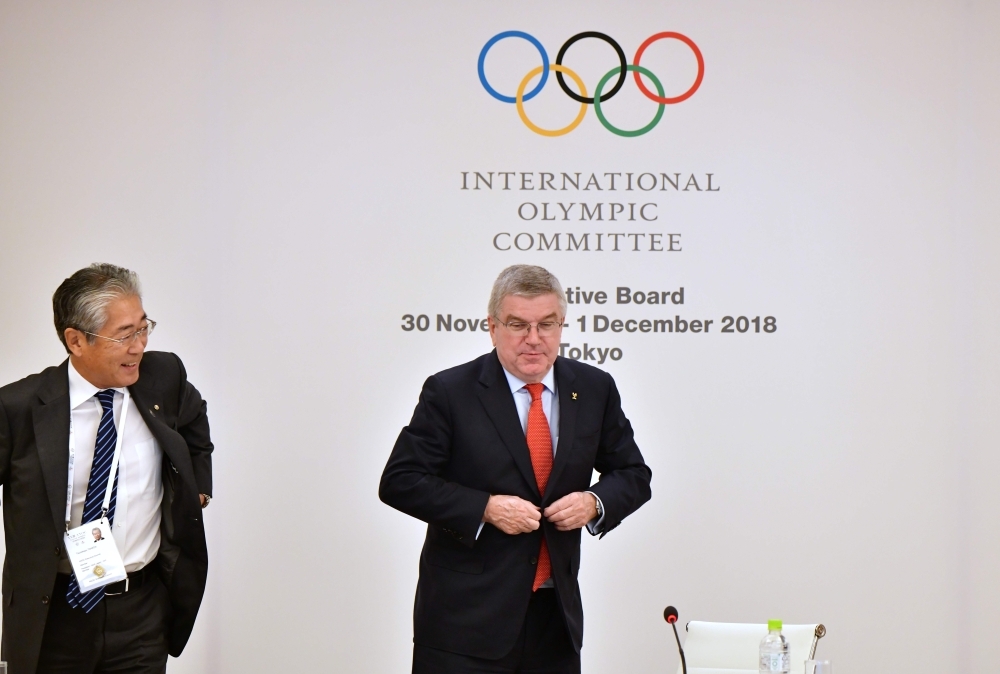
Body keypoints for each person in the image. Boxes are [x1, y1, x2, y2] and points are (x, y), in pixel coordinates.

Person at [380, 264, 652, 674]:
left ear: (562, 324)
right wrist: (486, 508)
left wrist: (594, 502)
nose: (533, 339)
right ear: (492, 327)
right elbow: (400, 481)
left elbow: (633, 474)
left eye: (546, 324)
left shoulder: (595, 387)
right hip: (464, 624)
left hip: (554, 620)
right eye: (517, 325)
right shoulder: (451, 391)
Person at [0, 263, 214, 674]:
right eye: (124, 335)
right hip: (55, 614)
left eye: (143, 327)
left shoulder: (163, 377)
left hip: (141, 612)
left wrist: (197, 488)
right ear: (75, 341)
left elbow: (194, 422)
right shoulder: (20, 408)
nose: (139, 346)